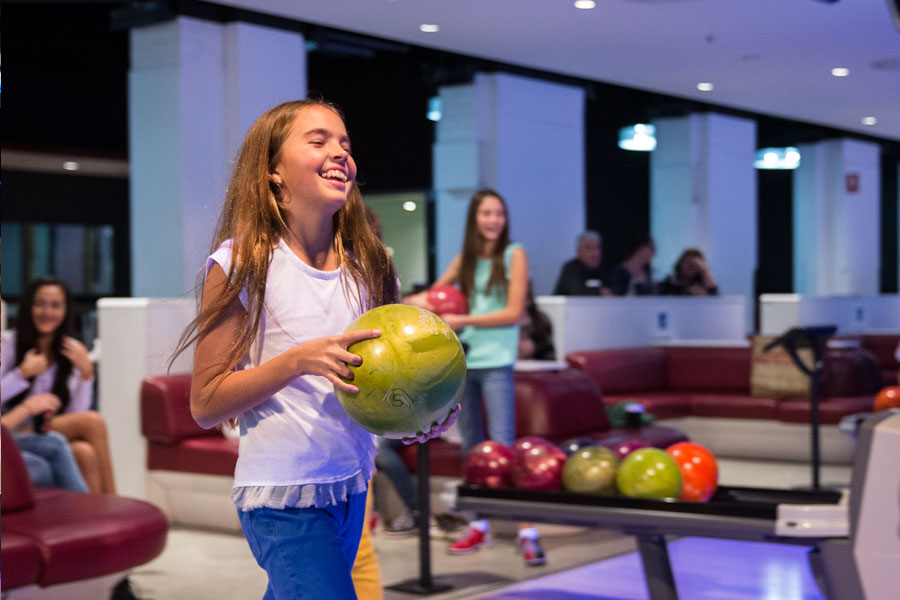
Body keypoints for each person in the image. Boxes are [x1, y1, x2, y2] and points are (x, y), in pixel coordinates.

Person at [173, 99, 453, 599]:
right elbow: (205, 401)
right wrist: (298, 360)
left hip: (351, 485)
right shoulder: (241, 263)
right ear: (273, 170)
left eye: (345, 143)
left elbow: (394, 374)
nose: (340, 153)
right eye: (319, 141)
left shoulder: (371, 264)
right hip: (281, 497)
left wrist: (421, 414)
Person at [407, 189, 545, 566]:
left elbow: (514, 312)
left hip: (497, 360)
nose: (493, 220)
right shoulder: (464, 259)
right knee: (472, 447)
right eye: (486, 213)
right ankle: (478, 526)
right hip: (465, 362)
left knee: (503, 446)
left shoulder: (514, 254)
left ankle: (527, 531)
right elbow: (433, 296)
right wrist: (401, 298)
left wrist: (463, 319)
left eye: (499, 213)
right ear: (475, 218)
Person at [0, 276, 116, 494]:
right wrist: (21, 374)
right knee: (93, 421)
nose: (47, 313)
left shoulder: (71, 349)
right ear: (28, 307)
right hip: (12, 428)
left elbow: (75, 413)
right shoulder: (7, 344)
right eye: (39, 304)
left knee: (84, 451)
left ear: (65, 311)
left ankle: (93, 521)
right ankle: (114, 499)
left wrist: (86, 374)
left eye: (55, 306)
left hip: (48, 429)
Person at [553, 231, 612, 296]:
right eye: (589, 248)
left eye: (597, 247)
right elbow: (577, 292)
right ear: (578, 251)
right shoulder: (570, 268)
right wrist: (599, 292)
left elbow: (614, 291)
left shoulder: (604, 269)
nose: (595, 253)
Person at [519, 283, 555, 361]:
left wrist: (534, 350)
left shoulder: (541, 320)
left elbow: (549, 353)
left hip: (538, 364)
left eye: (526, 295)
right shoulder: (503, 320)